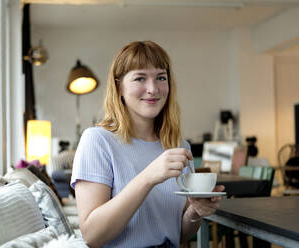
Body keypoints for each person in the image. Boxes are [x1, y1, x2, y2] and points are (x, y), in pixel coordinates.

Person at [71, 41, 225, 248]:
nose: (152, 89)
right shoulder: (97, 141)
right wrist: (148, 176)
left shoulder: (179, 146)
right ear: (119, 87)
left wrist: (195, 212)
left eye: (161, 77)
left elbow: (179, 235)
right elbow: (92, 236)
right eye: (140, 78)